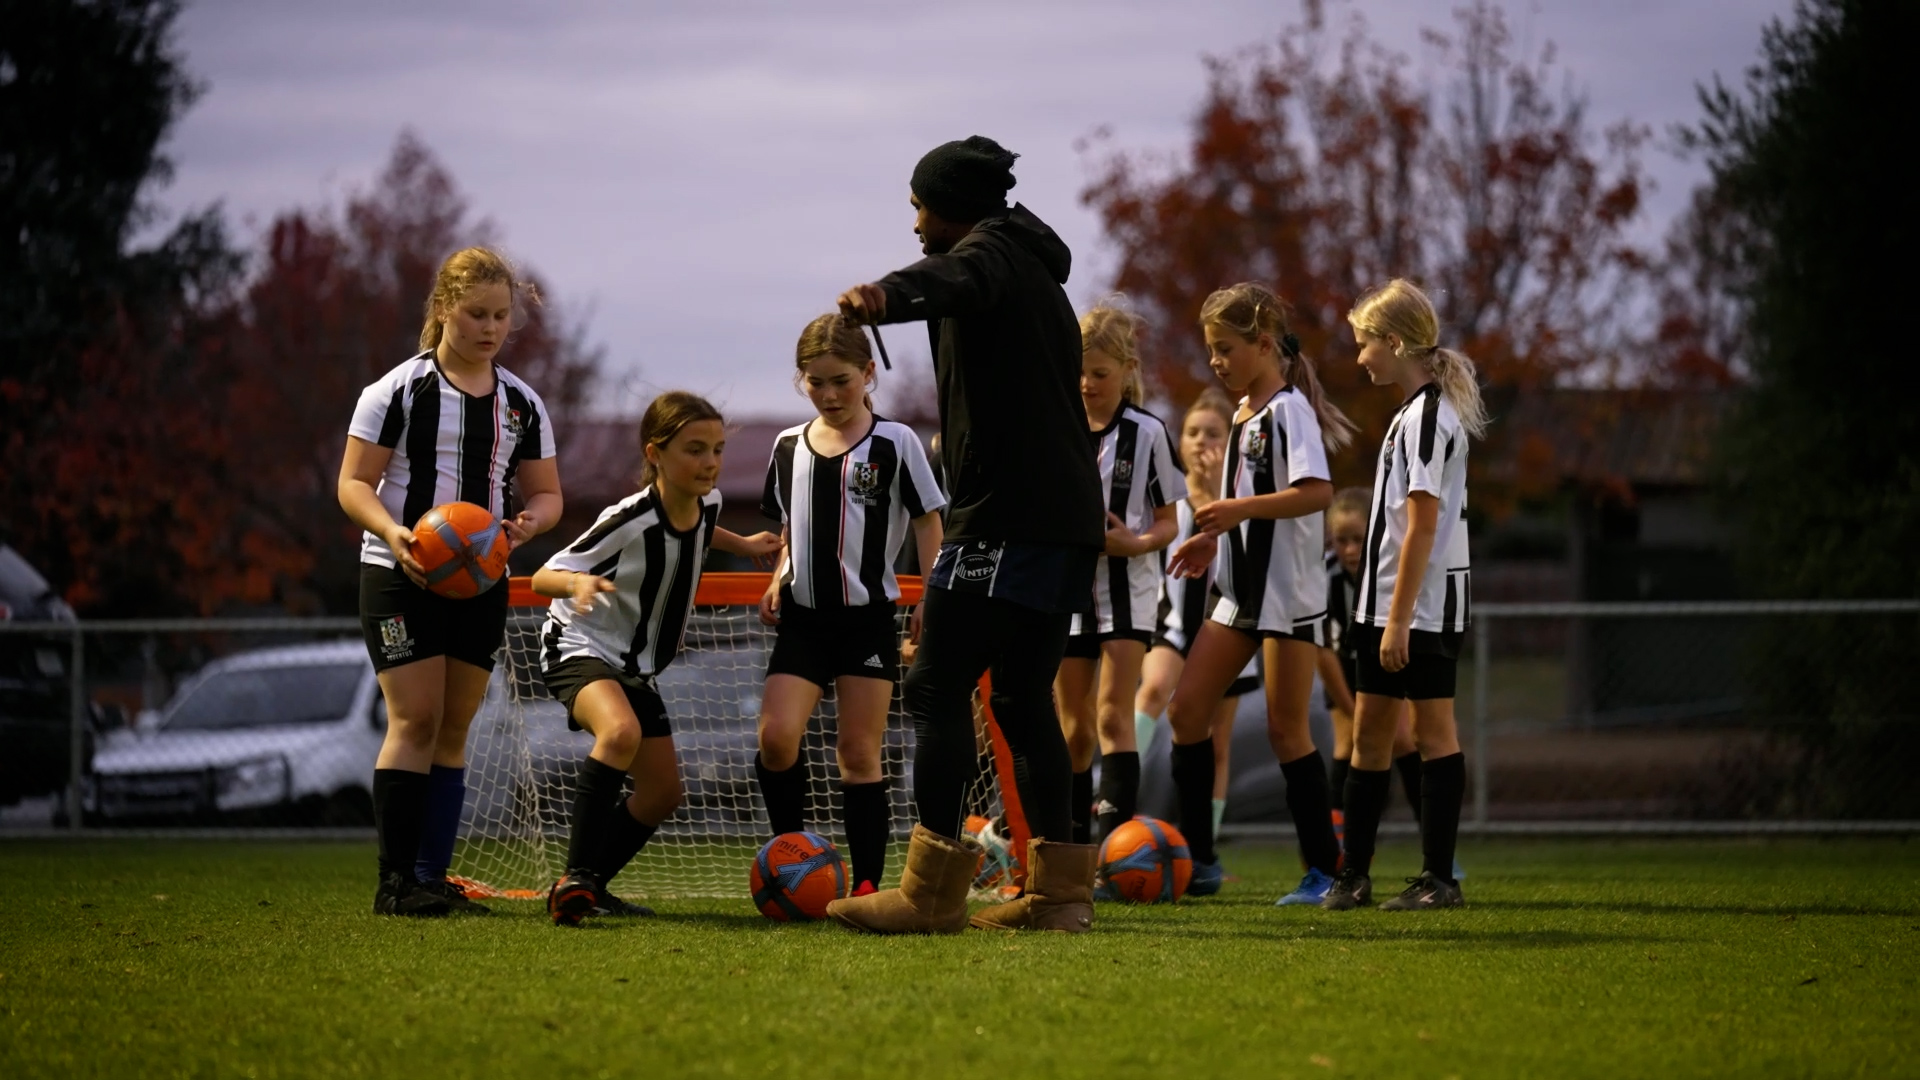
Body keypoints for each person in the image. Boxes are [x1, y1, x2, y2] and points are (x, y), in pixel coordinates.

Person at [827, 135, 1106, 935]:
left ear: (952, 208)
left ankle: (930, 892)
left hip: (1008, 516)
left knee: (935, 686)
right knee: (1021, 699)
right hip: (1061, 517)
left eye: (920, 205)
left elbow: (955, 274)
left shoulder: (990, 255)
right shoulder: (1025, 258)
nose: (914, 220)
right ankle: (1059, 895)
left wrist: (885, 295)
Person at [339, 247, 563, 917]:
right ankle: (394, 883)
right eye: (476, 314)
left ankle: (432, 880)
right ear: (443, 310)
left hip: (481, 582)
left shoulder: (522, 404)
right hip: (400, 573)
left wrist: (528, 526)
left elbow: (548, 494)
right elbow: (353, 484)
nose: (490, 328)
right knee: (415, 718)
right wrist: (393, 532)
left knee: (454, 727)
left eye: (500, 316)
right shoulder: (397, 391)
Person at [533, 392, 780, 926]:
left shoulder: (706, 503)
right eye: (694, 449)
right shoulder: (630, 517)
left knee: (664, 792)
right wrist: (576, 581)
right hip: (579, 647)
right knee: (618, 733)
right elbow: (542, 575)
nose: (710, 462)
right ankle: (574, 877)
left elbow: (705, 527)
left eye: (716, 449)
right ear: (656, 453)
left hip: (635, 665)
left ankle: (591, 885)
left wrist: (743, 546)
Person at [1165, 282, 1356, 906]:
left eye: (1225, 348)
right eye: (1211, 350)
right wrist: (1210, 541)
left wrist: (1234, 508)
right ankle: (1200, 862)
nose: (1216, 361)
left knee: (1285, 731)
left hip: (1288, 598)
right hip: (1238, 595)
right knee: (1186, 712)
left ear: (1264, 345)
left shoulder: (1287, 410)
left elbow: (1317, 492)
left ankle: (1328, 872)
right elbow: (1243, 514)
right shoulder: (1245, 414)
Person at [754, 314, 946, 896]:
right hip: (804, 621)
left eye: (841, 380)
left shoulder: (897, 441)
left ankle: (865, 885)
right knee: (775, 737)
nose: (830, 394)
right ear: (801, 382)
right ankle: (791, 865)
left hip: (866, 621)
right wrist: (778, 576)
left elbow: (928, 524)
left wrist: (929, 595)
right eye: (816, 382)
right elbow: (791, 527)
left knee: (859, 753)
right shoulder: (788, 446)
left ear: (867, 373)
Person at [1321, 279, 1487, 912]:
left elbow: (1421, 527)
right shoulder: (1415, 413)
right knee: (1369, 739)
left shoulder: (1425, 420)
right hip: (1392, 606)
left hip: (1413, 609)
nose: (1360, 356)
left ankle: (1438, 880)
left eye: (1365, 343)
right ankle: (1353, 875)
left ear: (1393, 342)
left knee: (1434, 735)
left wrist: (1395, 623)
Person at [1055, 302, 1183, 846]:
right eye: (1079, 372)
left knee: (1112, 717)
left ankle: (1115, 850)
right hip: (1064, 592)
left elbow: (1168, 524)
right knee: (1073, 727)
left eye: (1100, 374)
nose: (1087, 384)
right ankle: (1071, 846)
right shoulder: (1055, 427)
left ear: (1127, 369)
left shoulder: (1148, 433)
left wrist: (1133, 542)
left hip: (1127, 594)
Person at [1134, 390, 1257, 844]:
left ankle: (1203, 842)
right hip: (1171, 625)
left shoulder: (1238, 500)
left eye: (1213, 433)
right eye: (1192, 432)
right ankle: (1113, 788)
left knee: (1216, 740)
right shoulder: (1168, 495)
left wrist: (1214, 489)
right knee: (1153, 689)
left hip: (1226, 624)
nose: (1201, 441)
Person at [1321, 486, 1423, 846]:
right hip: (1343, 671)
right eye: (1341, 540)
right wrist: (1350, 708)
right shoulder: (1326, 578)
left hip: (1383, 664)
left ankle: (1436, 846)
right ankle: (1333, 852)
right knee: (1346, 743)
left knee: (1403, 741)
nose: (1349, 550)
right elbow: (1324, 653)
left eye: (1358, 539)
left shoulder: (1390, 574)